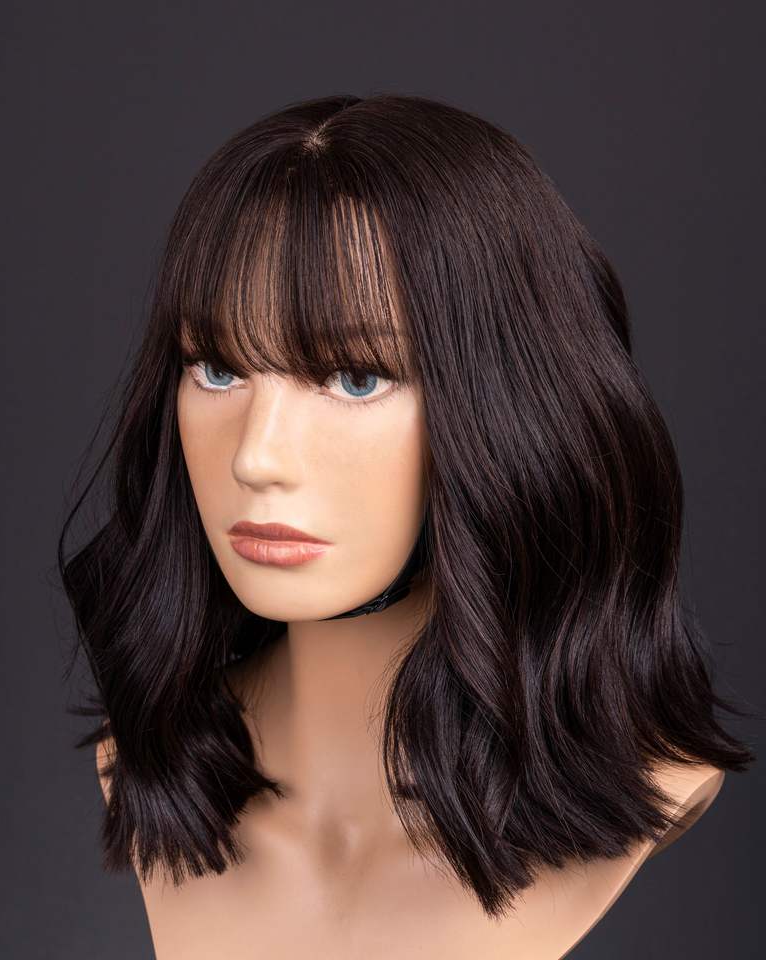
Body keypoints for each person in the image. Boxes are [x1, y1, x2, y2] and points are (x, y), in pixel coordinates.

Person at [59, 93, 754, 959]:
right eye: (217, 368)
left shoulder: (652, 788)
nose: (256, 457)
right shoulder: (145, 759)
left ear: (507, 407)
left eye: (356, 377)